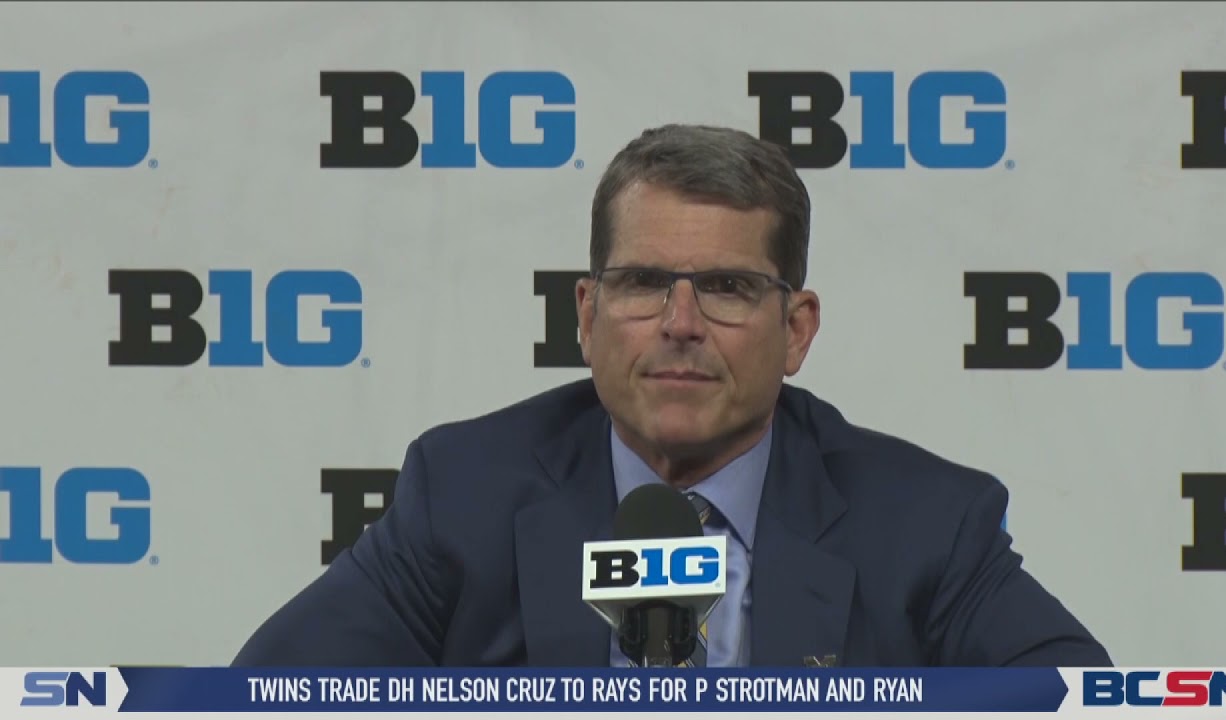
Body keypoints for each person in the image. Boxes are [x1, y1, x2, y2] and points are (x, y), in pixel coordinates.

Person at [232, 124, 1111, 668]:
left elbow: (1076, 697)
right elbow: (265, 698)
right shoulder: (463, 491)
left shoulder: (923, 521)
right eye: (644, 283)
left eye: (727, 288)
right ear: (588, 315)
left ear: (795, 329)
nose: (679, 324)